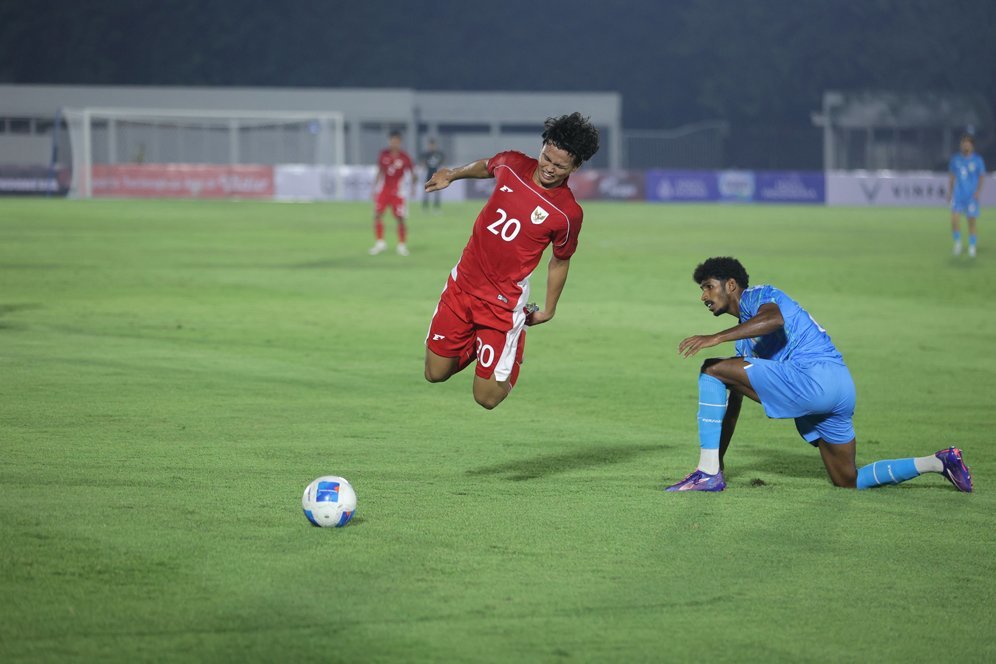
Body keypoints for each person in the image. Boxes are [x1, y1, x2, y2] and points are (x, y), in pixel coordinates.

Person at [666, 256, 973, 492]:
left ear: (730, 285)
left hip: (812, 379)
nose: (703, 296)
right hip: (840, 387)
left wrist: (715, 338)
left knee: (710, 368)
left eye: (708, 286)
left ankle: (706, 475)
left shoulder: (760, 296)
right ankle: (938, 462)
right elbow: (730, 408)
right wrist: (719, 458)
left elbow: (773, 320)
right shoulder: (746, 341)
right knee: (847, 479)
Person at [422, 113, 600, 409]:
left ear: (576, 166)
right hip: (462, 288)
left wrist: (549, 309)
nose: (550, 168)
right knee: (435, 373)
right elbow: (485, 166)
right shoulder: (512, 164)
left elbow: (560, 260)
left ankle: (510, 340)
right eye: (547, 158)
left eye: (560, 166)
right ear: (542, 147)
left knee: (487, 398)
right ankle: (483, 344)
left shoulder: (568, 213)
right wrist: (451, 174)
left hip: (502, 304)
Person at [369, 130, 415, 256]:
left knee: (400, 218)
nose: (393, 143)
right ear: (389, 141)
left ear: (399, 142)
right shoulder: (383, 154)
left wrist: (413, 187)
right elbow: (380, 171)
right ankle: (380, 243)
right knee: (377, 214)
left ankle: (402, 245)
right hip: (384, 190)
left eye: (396, 141)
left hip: (398, 192)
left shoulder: (405, 157)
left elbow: (412, 172)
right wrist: (374, 188)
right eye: (391, 141)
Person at [948, 133, 986, 258]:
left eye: (968, 143)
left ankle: (972, 246)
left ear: (972, 146)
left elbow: (981, 177)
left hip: (971, 196)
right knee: (954, 220)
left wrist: (978, 191)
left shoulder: (977, 160)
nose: (965, 145)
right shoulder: (956, 159)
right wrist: (950, 191)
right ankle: (958, 244)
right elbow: (952, 177)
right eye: (964, 143)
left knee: (971, 222)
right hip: (958, 195)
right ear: (961, 145)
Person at [421, 138, 445, 212]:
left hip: (436, 174)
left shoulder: (439, 154)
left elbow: (442, 163)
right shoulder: (426, 154)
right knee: (426, 191)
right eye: (430, 145)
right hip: (428, 174)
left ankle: (436, 207)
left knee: (437, 191)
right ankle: (425, 207)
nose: (432, 147)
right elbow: (423, 163)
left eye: (433, 145)